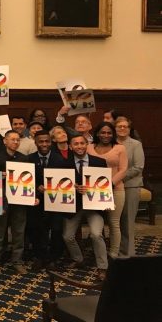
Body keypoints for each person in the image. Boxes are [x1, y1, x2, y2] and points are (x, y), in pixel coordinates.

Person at [56, 134, 108, 280]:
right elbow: (59, 187)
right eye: (76, 144)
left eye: (82, 143)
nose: (79, 146)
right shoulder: (63, 164)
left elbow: (106, 185)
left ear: (87, 145)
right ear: (71, 146)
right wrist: (73, 189)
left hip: (94, 205)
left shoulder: (100, 162)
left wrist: (92, 190)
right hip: (74, 206)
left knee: (96, 234)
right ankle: (78, 259)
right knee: (67, 236)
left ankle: (102, 267)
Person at [0, 130, 30, 274]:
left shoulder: (24, 159)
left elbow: (29, 180)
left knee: (19, 232)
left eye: (18, 140)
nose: (15, 142)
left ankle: (17, 261)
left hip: (19, 201)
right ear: (4, 141)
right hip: (1, 200)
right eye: (12, 139)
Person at [26, 130, 66, 269]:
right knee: (37, 229)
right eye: (41, 141)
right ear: (35, 143)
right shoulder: (29, 159)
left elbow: (66, 181)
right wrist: (37, 187)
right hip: (36, 201)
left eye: (47, 141)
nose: (44, 144)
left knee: (56, 230)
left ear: (51, 142)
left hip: (56, 202)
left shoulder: (60, 159)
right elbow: (25, 181)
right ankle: (39, 257)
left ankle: (53, 258)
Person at [87, 122, 127, 258]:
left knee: (114, 223)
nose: (106, 135)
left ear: (113, 134)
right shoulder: (88, 147)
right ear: (97, 133)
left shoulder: (120, 148)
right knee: (96, 224)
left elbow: (123, 170)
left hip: (115, 189)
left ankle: (113, 253)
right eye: (103, 132)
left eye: (109, 133)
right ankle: (99, 251)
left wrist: (108, 185)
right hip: (93, 192)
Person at [115, 116, 145, 257]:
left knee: (127, 222)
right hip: (112, 187)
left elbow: (138, 167)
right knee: (115, 222)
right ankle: (116, 250)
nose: (122, 128)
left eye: (125, 126)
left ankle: (128, 254)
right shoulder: (111, 143)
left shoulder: (135, 144)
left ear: (129, 129)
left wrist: (118, 178)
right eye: (119, 126)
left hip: (130, 186)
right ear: (114, 128)